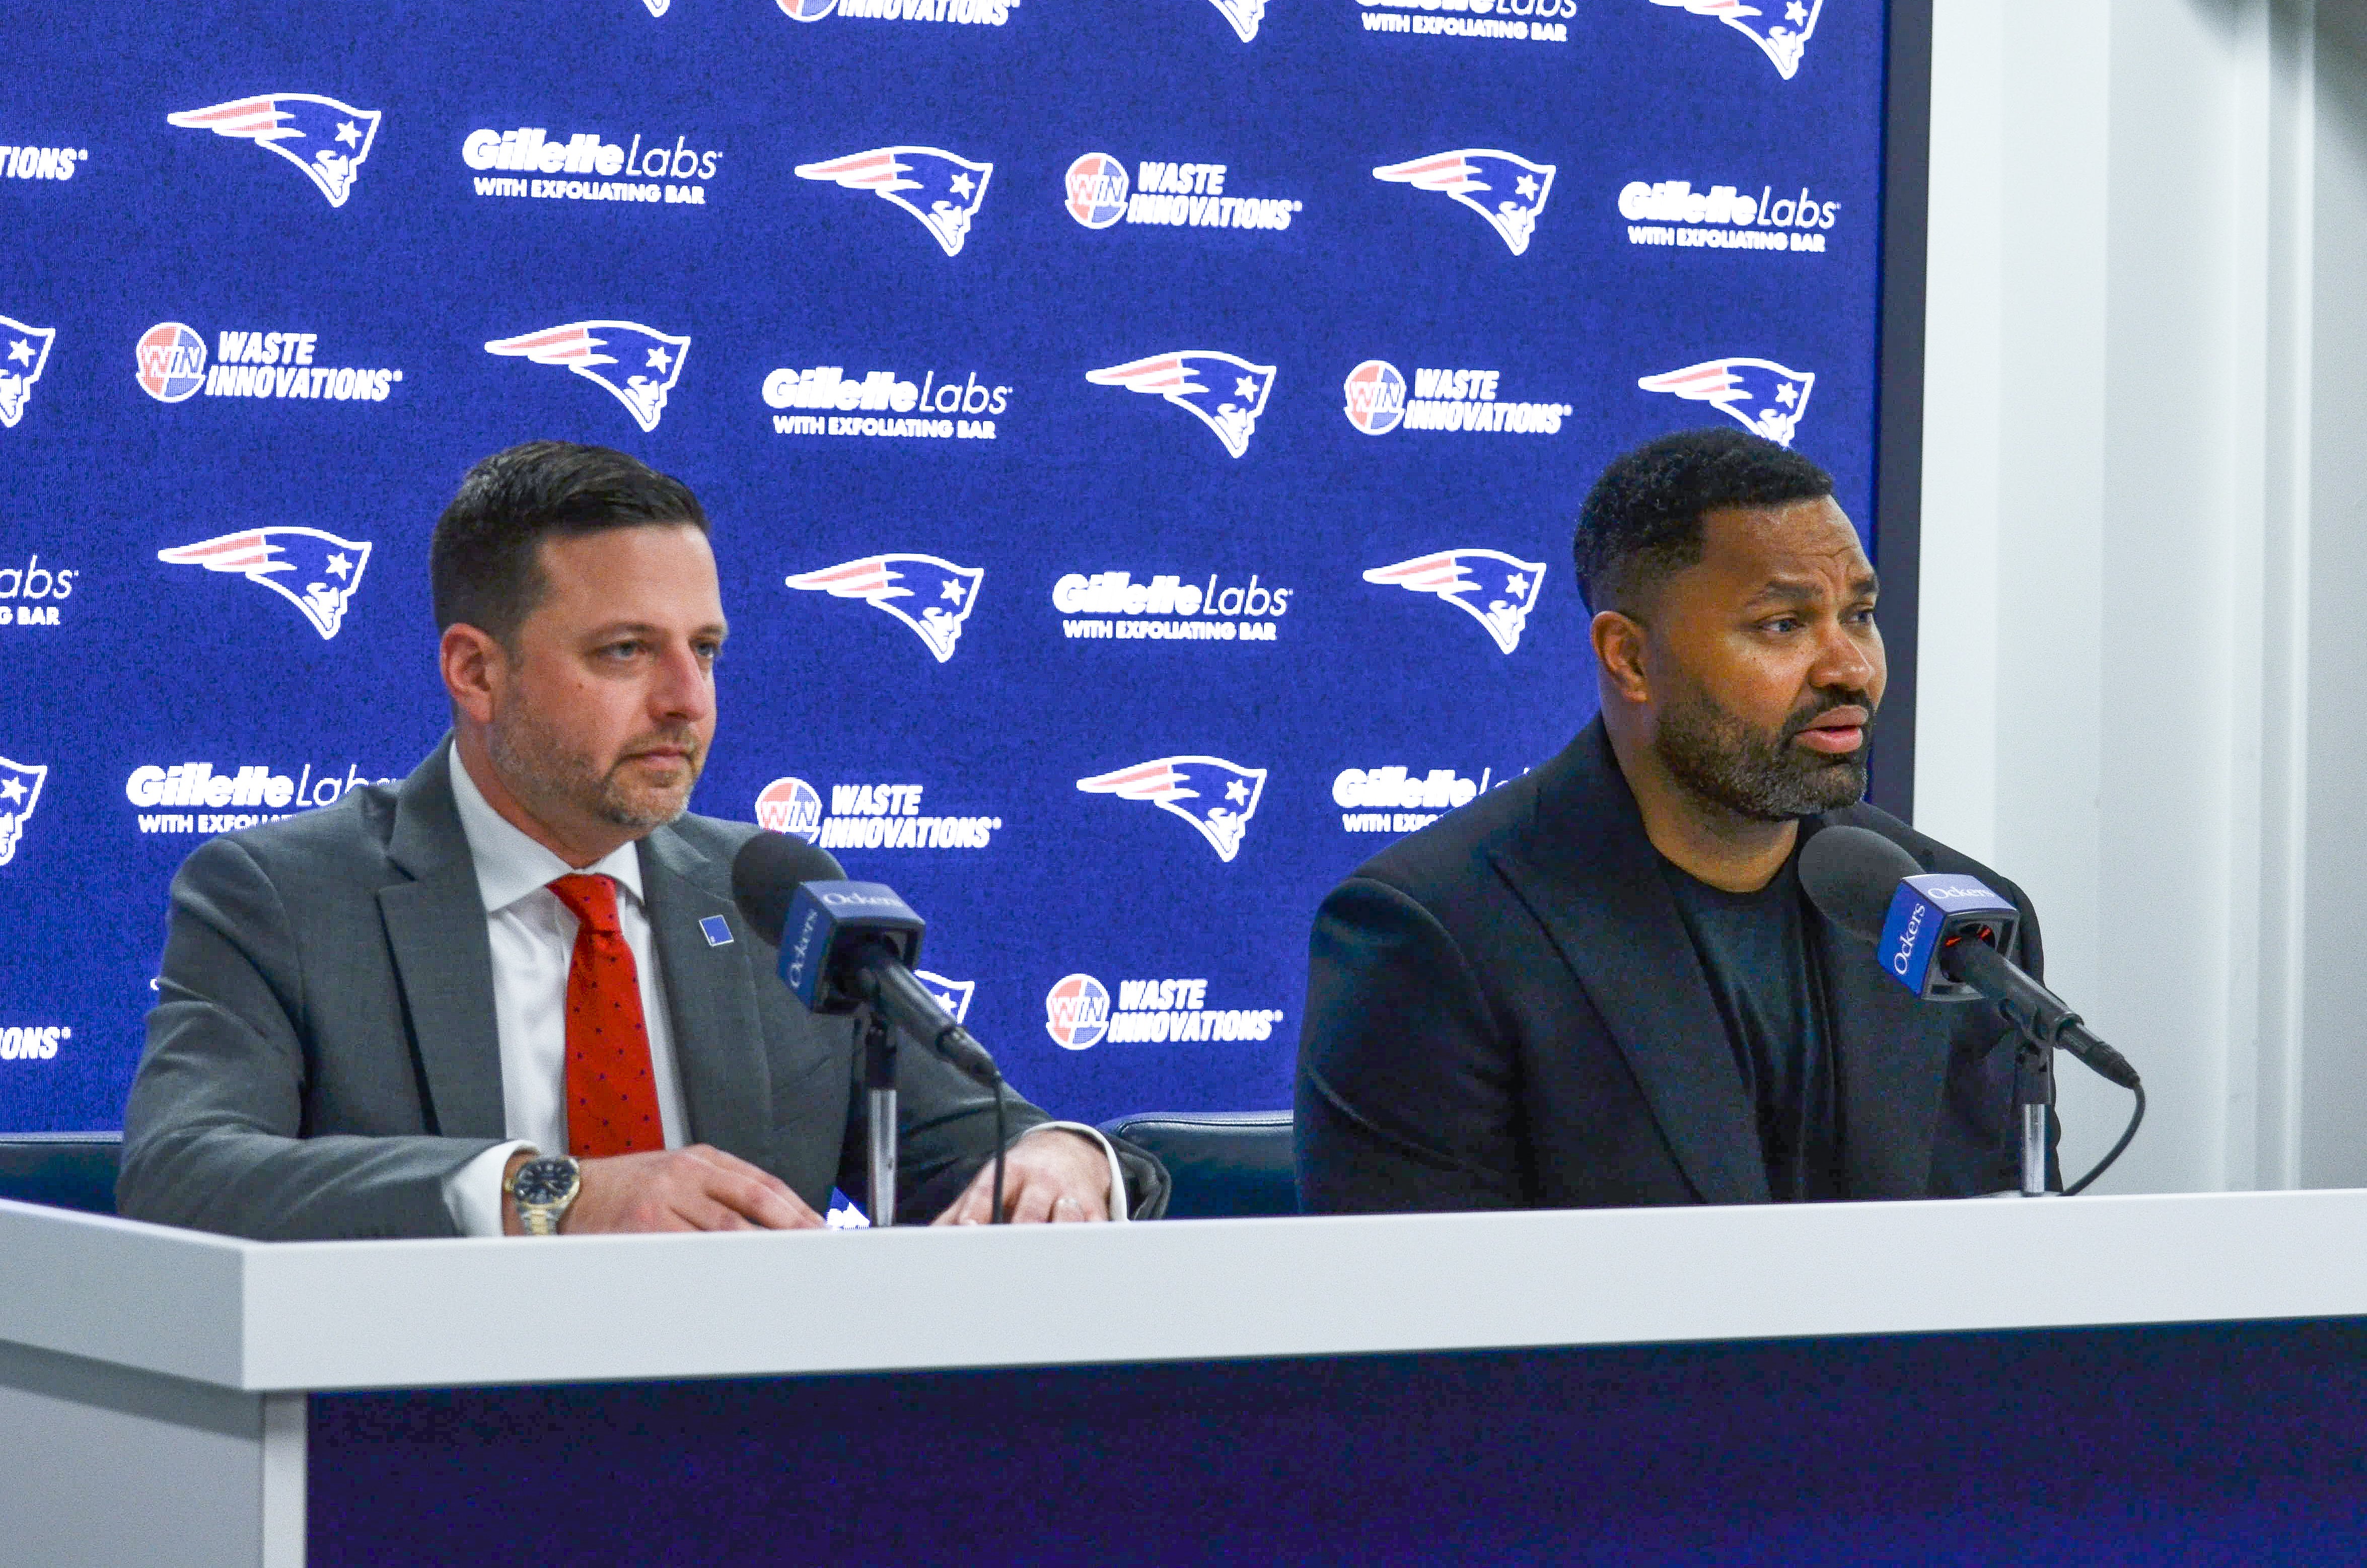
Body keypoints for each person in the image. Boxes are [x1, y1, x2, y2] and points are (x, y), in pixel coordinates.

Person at [120, 441, 1164, 1239]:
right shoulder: (285, 897)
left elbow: (988, 1146)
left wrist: (1063, 1159)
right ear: (476, 672)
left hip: (752, 1459)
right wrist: (552, 1197)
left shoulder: (771, 899)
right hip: (425, 1457)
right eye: (625, 652)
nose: (687, 701)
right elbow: (182, 1178)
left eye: (704, 650)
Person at [1295, 427, 2043, 1212]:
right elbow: (1419, 1316)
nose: (1849, 667)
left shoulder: (1966, 927)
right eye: (1782, 625)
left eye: (1858, 614)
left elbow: (2010, 1289)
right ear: (1627, 658)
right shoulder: (1433, 936)